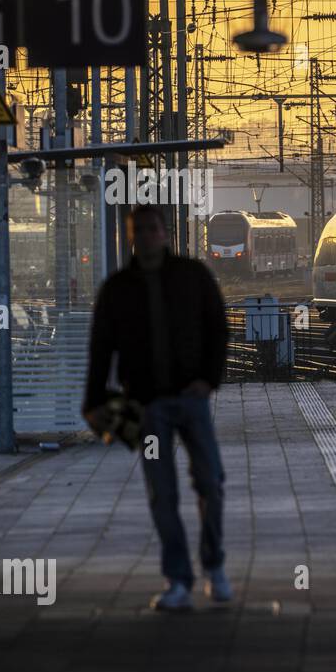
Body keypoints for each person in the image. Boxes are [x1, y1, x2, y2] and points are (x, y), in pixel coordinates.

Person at [83, 204, 231, 611]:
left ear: (164, 234)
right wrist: (93, 401)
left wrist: (209, 379)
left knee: (212, 482)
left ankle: (214, 565)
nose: (146, 236)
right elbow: (101, 348)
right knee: (161, 493)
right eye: (140, 230)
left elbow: (218, 326)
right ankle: (178, 579)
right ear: (131, 235)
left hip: (192, 400)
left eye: (152, 229)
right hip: (147, 407)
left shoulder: (192, 276)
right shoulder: (118, 288)